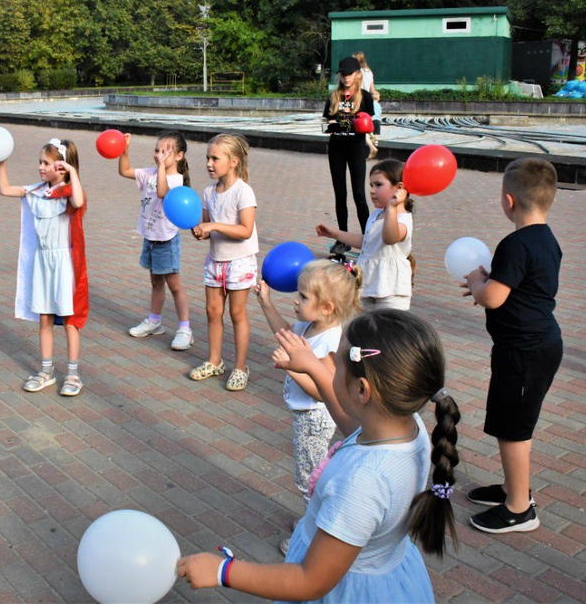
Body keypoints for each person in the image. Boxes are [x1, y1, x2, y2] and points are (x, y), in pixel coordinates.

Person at [178, 309, 460, 602]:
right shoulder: (407, 426)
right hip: (387, 575)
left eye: (334, 364)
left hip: (346, 591)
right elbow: (351, 421)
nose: (331, 368)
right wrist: (313, 366)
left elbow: (308, 580)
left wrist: (223, 571)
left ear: (362, 391)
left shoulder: (363, 482)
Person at [462, 158, 562, 534]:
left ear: (508, 201)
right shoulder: (546, 240)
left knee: (514, 428)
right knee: (512, 421)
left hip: (524, 352)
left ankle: (520, 507)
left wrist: (476, 282)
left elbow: (492, 298)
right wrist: (489, 283)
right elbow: (519, 286)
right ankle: (510, 488)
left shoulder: (515, 244)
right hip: (535, 346)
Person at [255, 260, 362, 555]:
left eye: (303, 297)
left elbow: (321, 390)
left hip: (315, 418)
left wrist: (292, 368)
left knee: (309, 477)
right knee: (310, 473)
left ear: (327, 307)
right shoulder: (312, 325)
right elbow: (287, 335)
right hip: (305, 416)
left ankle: (314, 533)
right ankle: (312, 520)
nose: (295, 299)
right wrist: (265, 303)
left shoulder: (329, 339)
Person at [0, 138, 88, 396]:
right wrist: (1, 161)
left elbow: (79, 202)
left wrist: (72, 174)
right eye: (40, 162)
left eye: (46, 163)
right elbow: (5, 189)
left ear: (61, 166)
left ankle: (72, 374)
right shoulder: (37, 190)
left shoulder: (70, 193)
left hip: (65, 263)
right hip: (42, 261)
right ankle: (46, 371)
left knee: (70, 321)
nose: (40, 167)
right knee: (45, 318)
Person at [189, 133, 258, 391]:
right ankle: (214, 361)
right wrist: (200, 230)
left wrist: (214, 225)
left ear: (233, 161)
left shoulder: (243, 191)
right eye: (208, 157)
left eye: (215, 158)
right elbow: (204, 224)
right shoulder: (208, 192)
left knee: (237, 313)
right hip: (215, 260)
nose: (209, 163)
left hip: (239, 261)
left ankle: (240, 367)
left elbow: (245, 230)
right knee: (212, 312)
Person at [118, 130, 192, 350]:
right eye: (157, 150)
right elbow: (124, 171)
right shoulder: (149, 173)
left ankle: (185, 329)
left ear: (178, 156)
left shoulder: (176, 179)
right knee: (156, 283)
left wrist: (160, 167)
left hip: (166, 239)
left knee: (175, 286)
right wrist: (124, 150)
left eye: (165, 151)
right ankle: (154, 321)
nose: (159, 154)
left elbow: (162, 192)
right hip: (151, 237)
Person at [316, 159, 413, 311]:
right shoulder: (375, 215)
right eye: (371, 185)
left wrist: (392, 208)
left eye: (378, 185)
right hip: (368, 285)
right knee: (364, 331)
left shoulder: (403, 219)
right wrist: (335, 233)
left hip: (391, 290)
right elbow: (366, 242)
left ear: (399, 188)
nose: (372, 190)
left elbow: (390, 238)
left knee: (388, 332)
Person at [323, 57, 375, 251]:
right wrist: (336, 125)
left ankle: (367, 238)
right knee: (340, 194)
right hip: (337, 148)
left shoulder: (365, 97)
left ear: (358, 75)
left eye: (349, 74)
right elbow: (327, 122)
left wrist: (358, 126)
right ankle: (342, 239)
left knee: (359, 195)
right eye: (343, 74)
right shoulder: (334, 96)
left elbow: (370, 124)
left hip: (356, 148)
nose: (346, 78)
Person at [352, 52, 380, 159]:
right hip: (367, 98)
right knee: (365, 123)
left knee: (358, 124)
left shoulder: (357, 72)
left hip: (359, 98)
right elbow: (372, 89)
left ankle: (371, 146)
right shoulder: (369, 71)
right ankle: (372, 137)